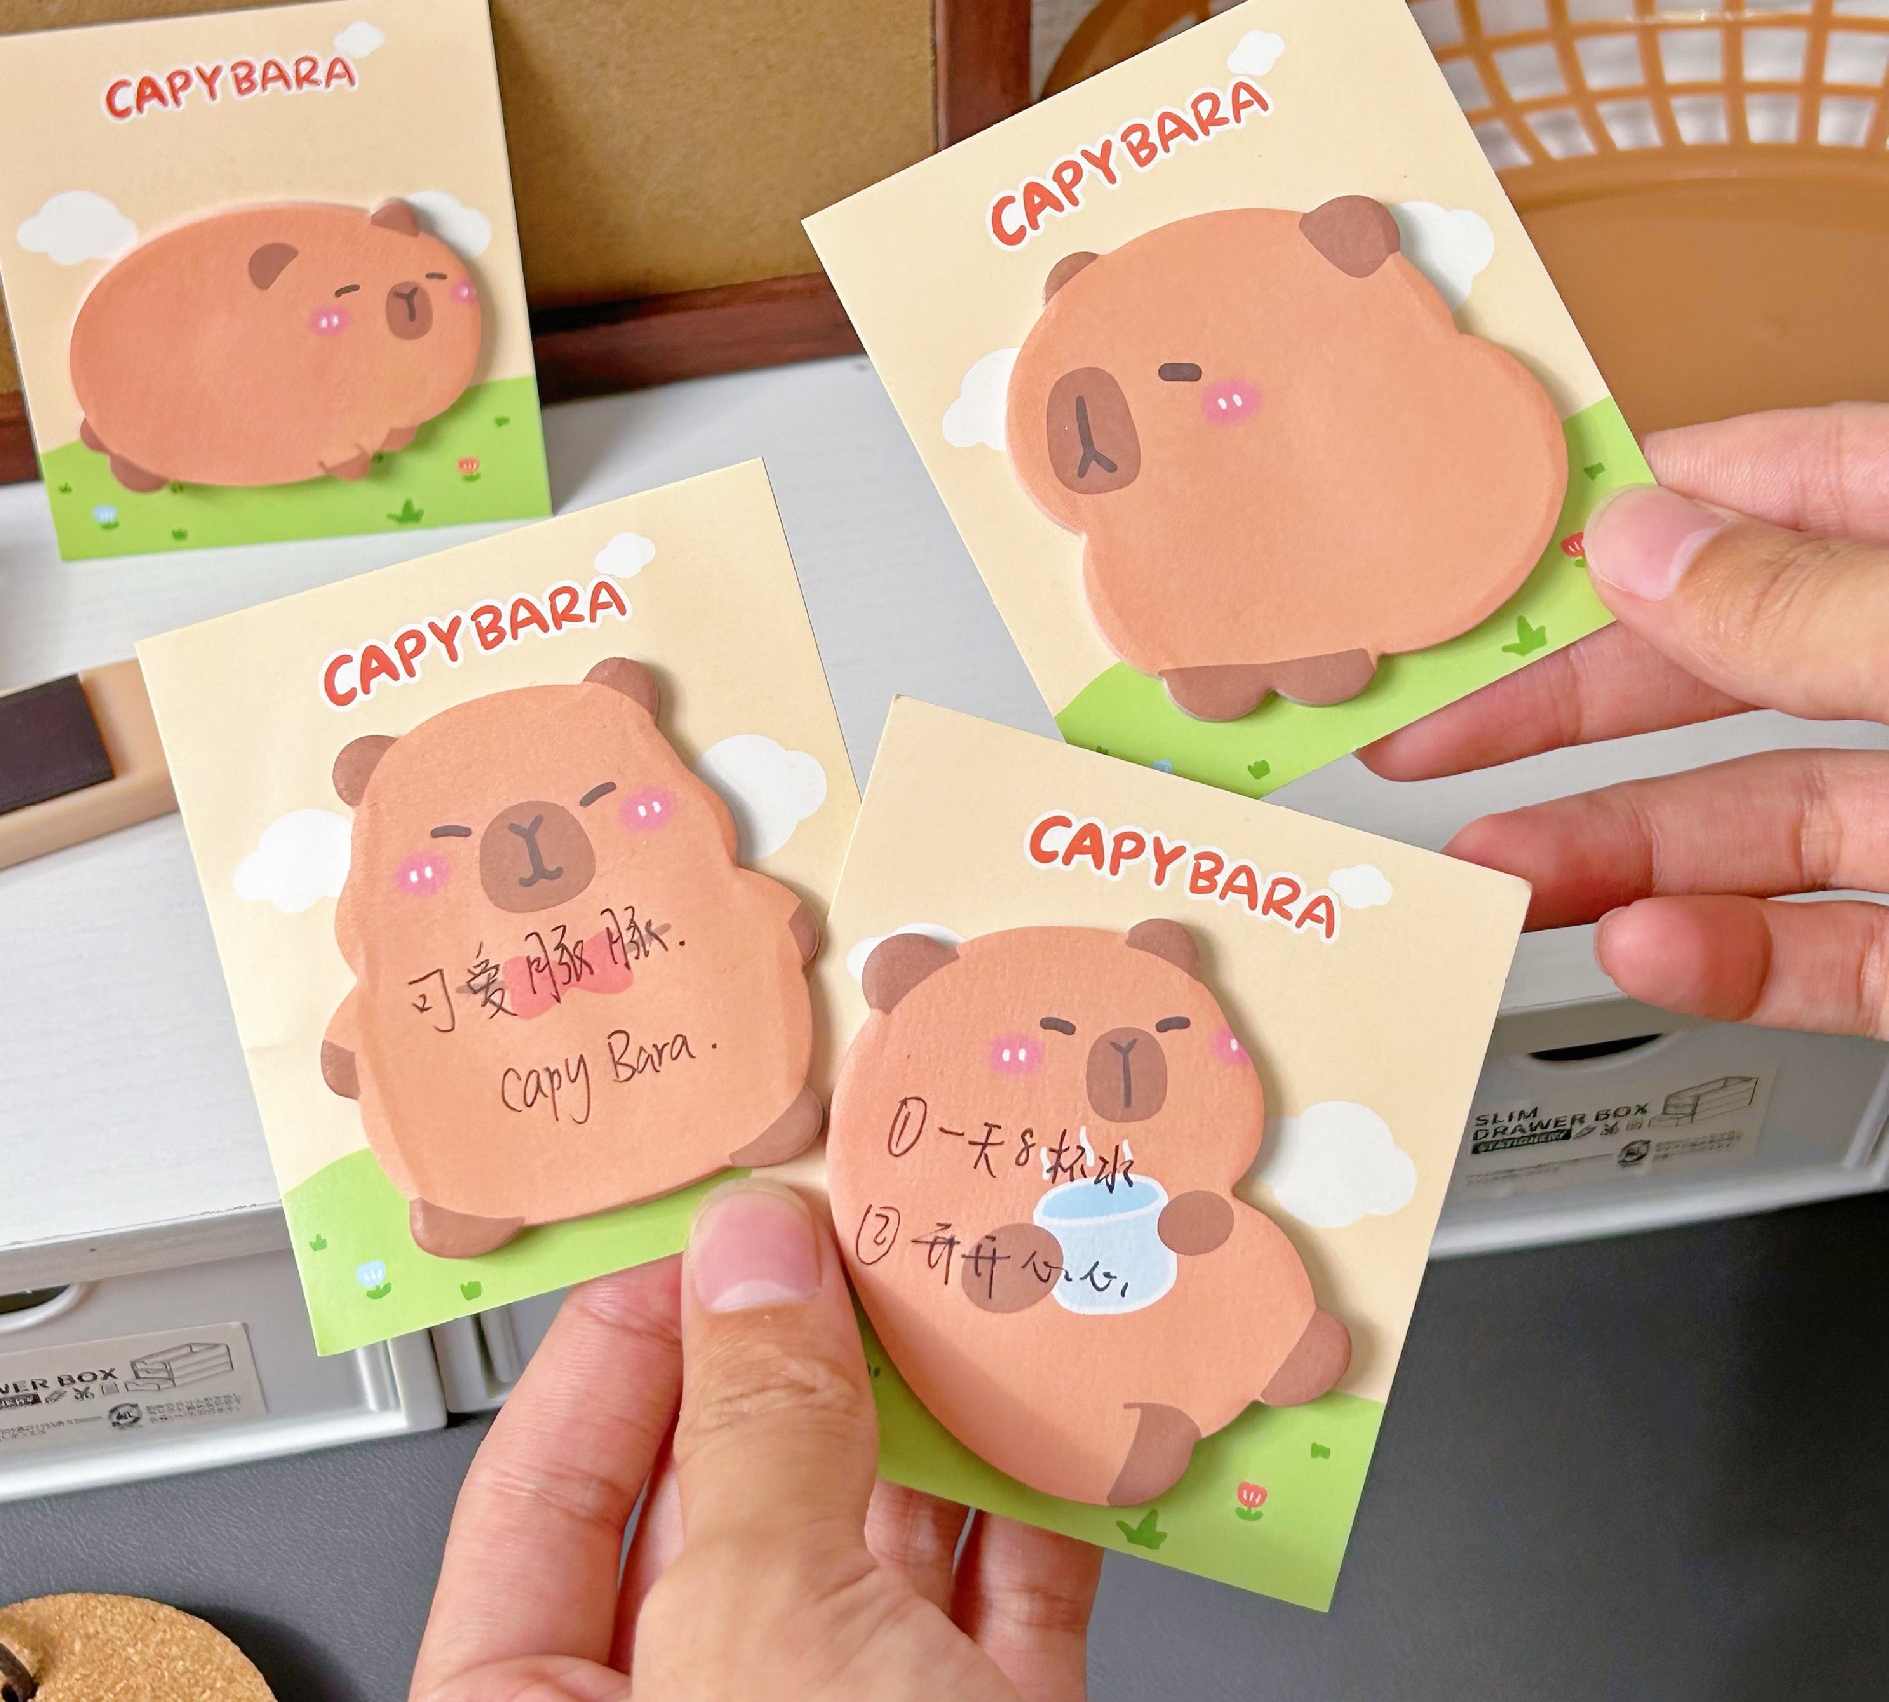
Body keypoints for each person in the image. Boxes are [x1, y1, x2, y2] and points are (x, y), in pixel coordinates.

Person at [411, 404, 1889, 1698]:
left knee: (1224, 1261)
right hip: (950, 1249)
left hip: (1146, 1234)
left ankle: (1244, 1355)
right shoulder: (908, 1080)